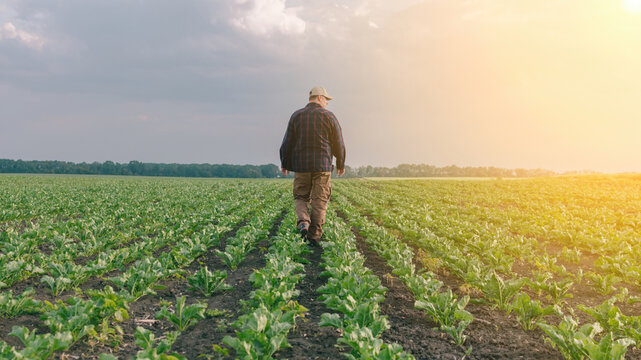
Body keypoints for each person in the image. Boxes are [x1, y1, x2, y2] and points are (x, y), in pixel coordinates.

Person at [279, 86, 346, 245]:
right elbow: (338, 143)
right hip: (322, 166)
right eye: (326, 100)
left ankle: (303, 221)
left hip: (301, 166)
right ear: (320, 98)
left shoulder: (296, 116)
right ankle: (314, 235)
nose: (327, 104)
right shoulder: (329, 116)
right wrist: (340, 163)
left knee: (300, 196)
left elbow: (287, 142)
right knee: (320, 199)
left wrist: (285, 163)